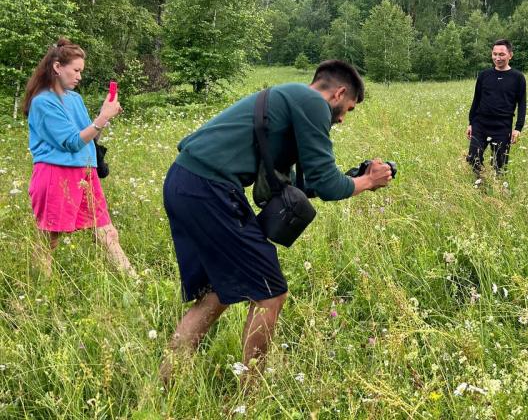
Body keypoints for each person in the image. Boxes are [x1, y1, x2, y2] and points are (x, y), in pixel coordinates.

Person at [160, 60, 393, 382]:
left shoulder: (288, 99)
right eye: (347, 109)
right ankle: (250, 397)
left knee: (217, 291)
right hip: (208, 188)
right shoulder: (312, 102)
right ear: (338, 93)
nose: (340, 119)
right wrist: (369, 182)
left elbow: (297, 183)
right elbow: (328, 186)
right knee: (270, 292)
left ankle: (164, 382)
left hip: (186, 182)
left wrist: (354, 177)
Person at [23, 38, 134, 276]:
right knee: (49, 239)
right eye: (76, 70)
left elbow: (88, 138)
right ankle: (42, 292)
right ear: (57, 67)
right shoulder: (42, 102)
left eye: (80, 71)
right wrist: (102, 117)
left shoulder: (75, 99)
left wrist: (104, 117)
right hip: (56, 173)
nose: (79, 76)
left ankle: (134, 281)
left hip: (85, 172)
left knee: (106, 231)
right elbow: (72, 142)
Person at [466, 39, 527, 177]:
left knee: (500, 164)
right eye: (494, 54)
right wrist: (471, 123)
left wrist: (518, 128)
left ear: (510, 55)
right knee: (473, 158)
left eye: (501, 54)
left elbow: (522, 104)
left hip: (502, 126)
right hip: (480, 124)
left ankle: (499, 190)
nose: (497, 58)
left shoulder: (518, 78)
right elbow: (476, 100)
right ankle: (479, 184)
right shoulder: (484, 75)